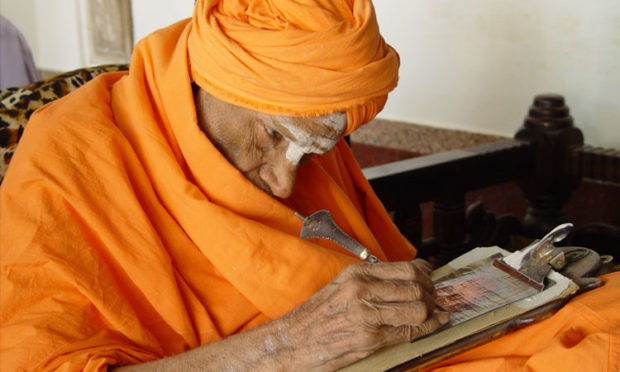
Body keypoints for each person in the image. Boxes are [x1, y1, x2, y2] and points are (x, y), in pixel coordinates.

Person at [0, 1, 618, 371]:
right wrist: (285, 349)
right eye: (273, 137)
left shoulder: (299, 123)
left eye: (315, 150)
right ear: (210, 82)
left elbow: (376, 271)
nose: (284, 181)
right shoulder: (71, 152)